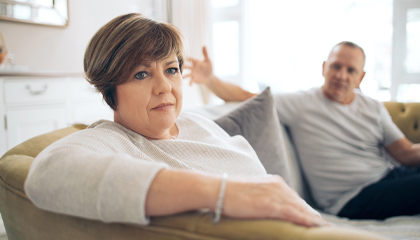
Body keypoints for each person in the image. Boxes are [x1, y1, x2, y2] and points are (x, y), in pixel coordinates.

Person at [23, 13, 326, 228]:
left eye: (171, 69)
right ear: (109, 92)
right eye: (141, 74)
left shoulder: (200, 124)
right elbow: (46, 174)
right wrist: (222, 193)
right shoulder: (112, 139)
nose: (164, 86)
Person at [185, 43, 420, 220]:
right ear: (324, 67)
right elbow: (244, 97)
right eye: (336, 66)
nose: (341, 75)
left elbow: (406, 154)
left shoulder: (373, 107)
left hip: (390, 176)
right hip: (353, 197)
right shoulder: (302, 103)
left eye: (351, 70)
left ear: (361, 77)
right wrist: (209, 79)